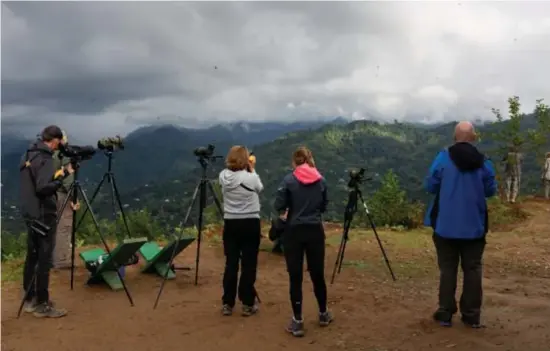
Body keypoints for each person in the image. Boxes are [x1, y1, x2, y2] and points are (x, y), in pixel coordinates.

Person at [424, 121, 497, 329]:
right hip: (474, 225)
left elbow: (430, 185)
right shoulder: (484, 162)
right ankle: (472, 316)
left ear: (455, 137)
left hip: (445, 226)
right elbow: (490, 190)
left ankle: (445, 313)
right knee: (472, 269)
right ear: (473, 137)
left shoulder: (443, 158)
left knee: (448, 269)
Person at [274, 146, 333, 337]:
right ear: (310, 160)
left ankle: (298, 322)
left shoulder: (289, 180)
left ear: (295, 161)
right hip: (315, 231)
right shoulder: (321, 180)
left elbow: (279, 205)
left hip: (294, 232)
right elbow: (324, 205)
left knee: (295, 277)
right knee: (317, 274)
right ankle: (323, 314)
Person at [20, 125, 75, 318]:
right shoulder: (44, 158)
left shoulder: (29, 153)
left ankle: (29, 298)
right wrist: (62, 179)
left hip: (31, 212)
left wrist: (61, 174)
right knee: (44, 259)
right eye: (59, 143)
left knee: (32, 255)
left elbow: (35, 182)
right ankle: (42, 303)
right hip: (43, 214)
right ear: (55, 140)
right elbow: (43, 187)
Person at [219, 145, 264, 317]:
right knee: (249, 264)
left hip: (231, 223)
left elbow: (231, 175)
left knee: (231, 264)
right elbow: (260, 188)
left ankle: (227, 303)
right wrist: (252, 169)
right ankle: (247, 303)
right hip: (250, 223)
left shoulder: (223, 176)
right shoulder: (250, 177)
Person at [52, 130, 79, 269]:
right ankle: (61, 261)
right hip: (62, 194)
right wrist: (74, 199)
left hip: (49, 193)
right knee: (64, 226)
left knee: (52, 225)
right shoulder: (64, 155)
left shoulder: (48, 154)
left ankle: (49, 258)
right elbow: (68, 180)